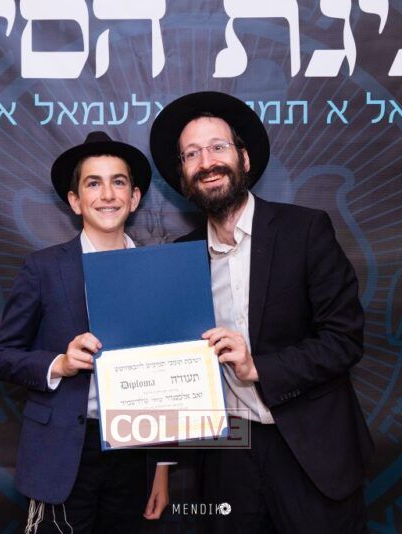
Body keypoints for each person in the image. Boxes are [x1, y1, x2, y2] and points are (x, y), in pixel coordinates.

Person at [150, 92, 374, 533]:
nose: (207, 162)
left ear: (245, 158)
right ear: (183, 175)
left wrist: (258, 367)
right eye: (192, 154)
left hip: (309, 448)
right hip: (227, 453)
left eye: (218, 147)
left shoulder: (305, 231)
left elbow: (344, 340)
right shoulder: (180, 258)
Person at [0, 131, 169, 533]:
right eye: (93, 183)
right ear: (75, 200)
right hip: (64, 453)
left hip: (135, 451)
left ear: (134, 197)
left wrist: (161, 468)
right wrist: (60, 364)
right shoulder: (43, 268)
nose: (108, 195)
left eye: (118, 182)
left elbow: (168, 377)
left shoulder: (158, 271)